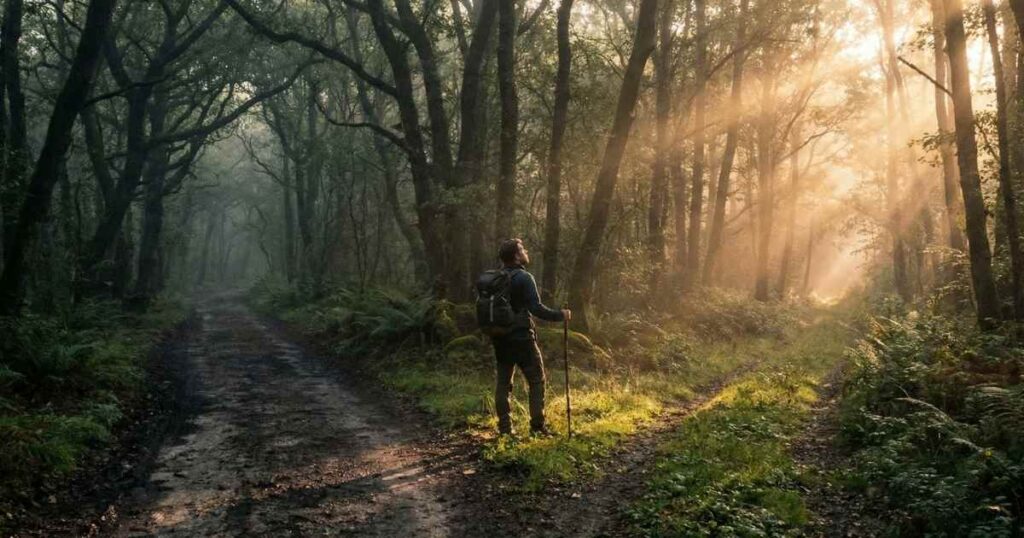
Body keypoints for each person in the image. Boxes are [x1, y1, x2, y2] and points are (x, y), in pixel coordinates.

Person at [491, 238, 571, 436]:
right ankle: (537, 427)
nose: (526, 251)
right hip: (522, 338)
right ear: (517, 256)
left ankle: (505, 430)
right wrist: (560, 315)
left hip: (500, 337)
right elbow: (536, 308)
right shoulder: (524, 278)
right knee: (536, 380)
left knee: (503, 383)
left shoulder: (495, 278)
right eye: (522, 249)